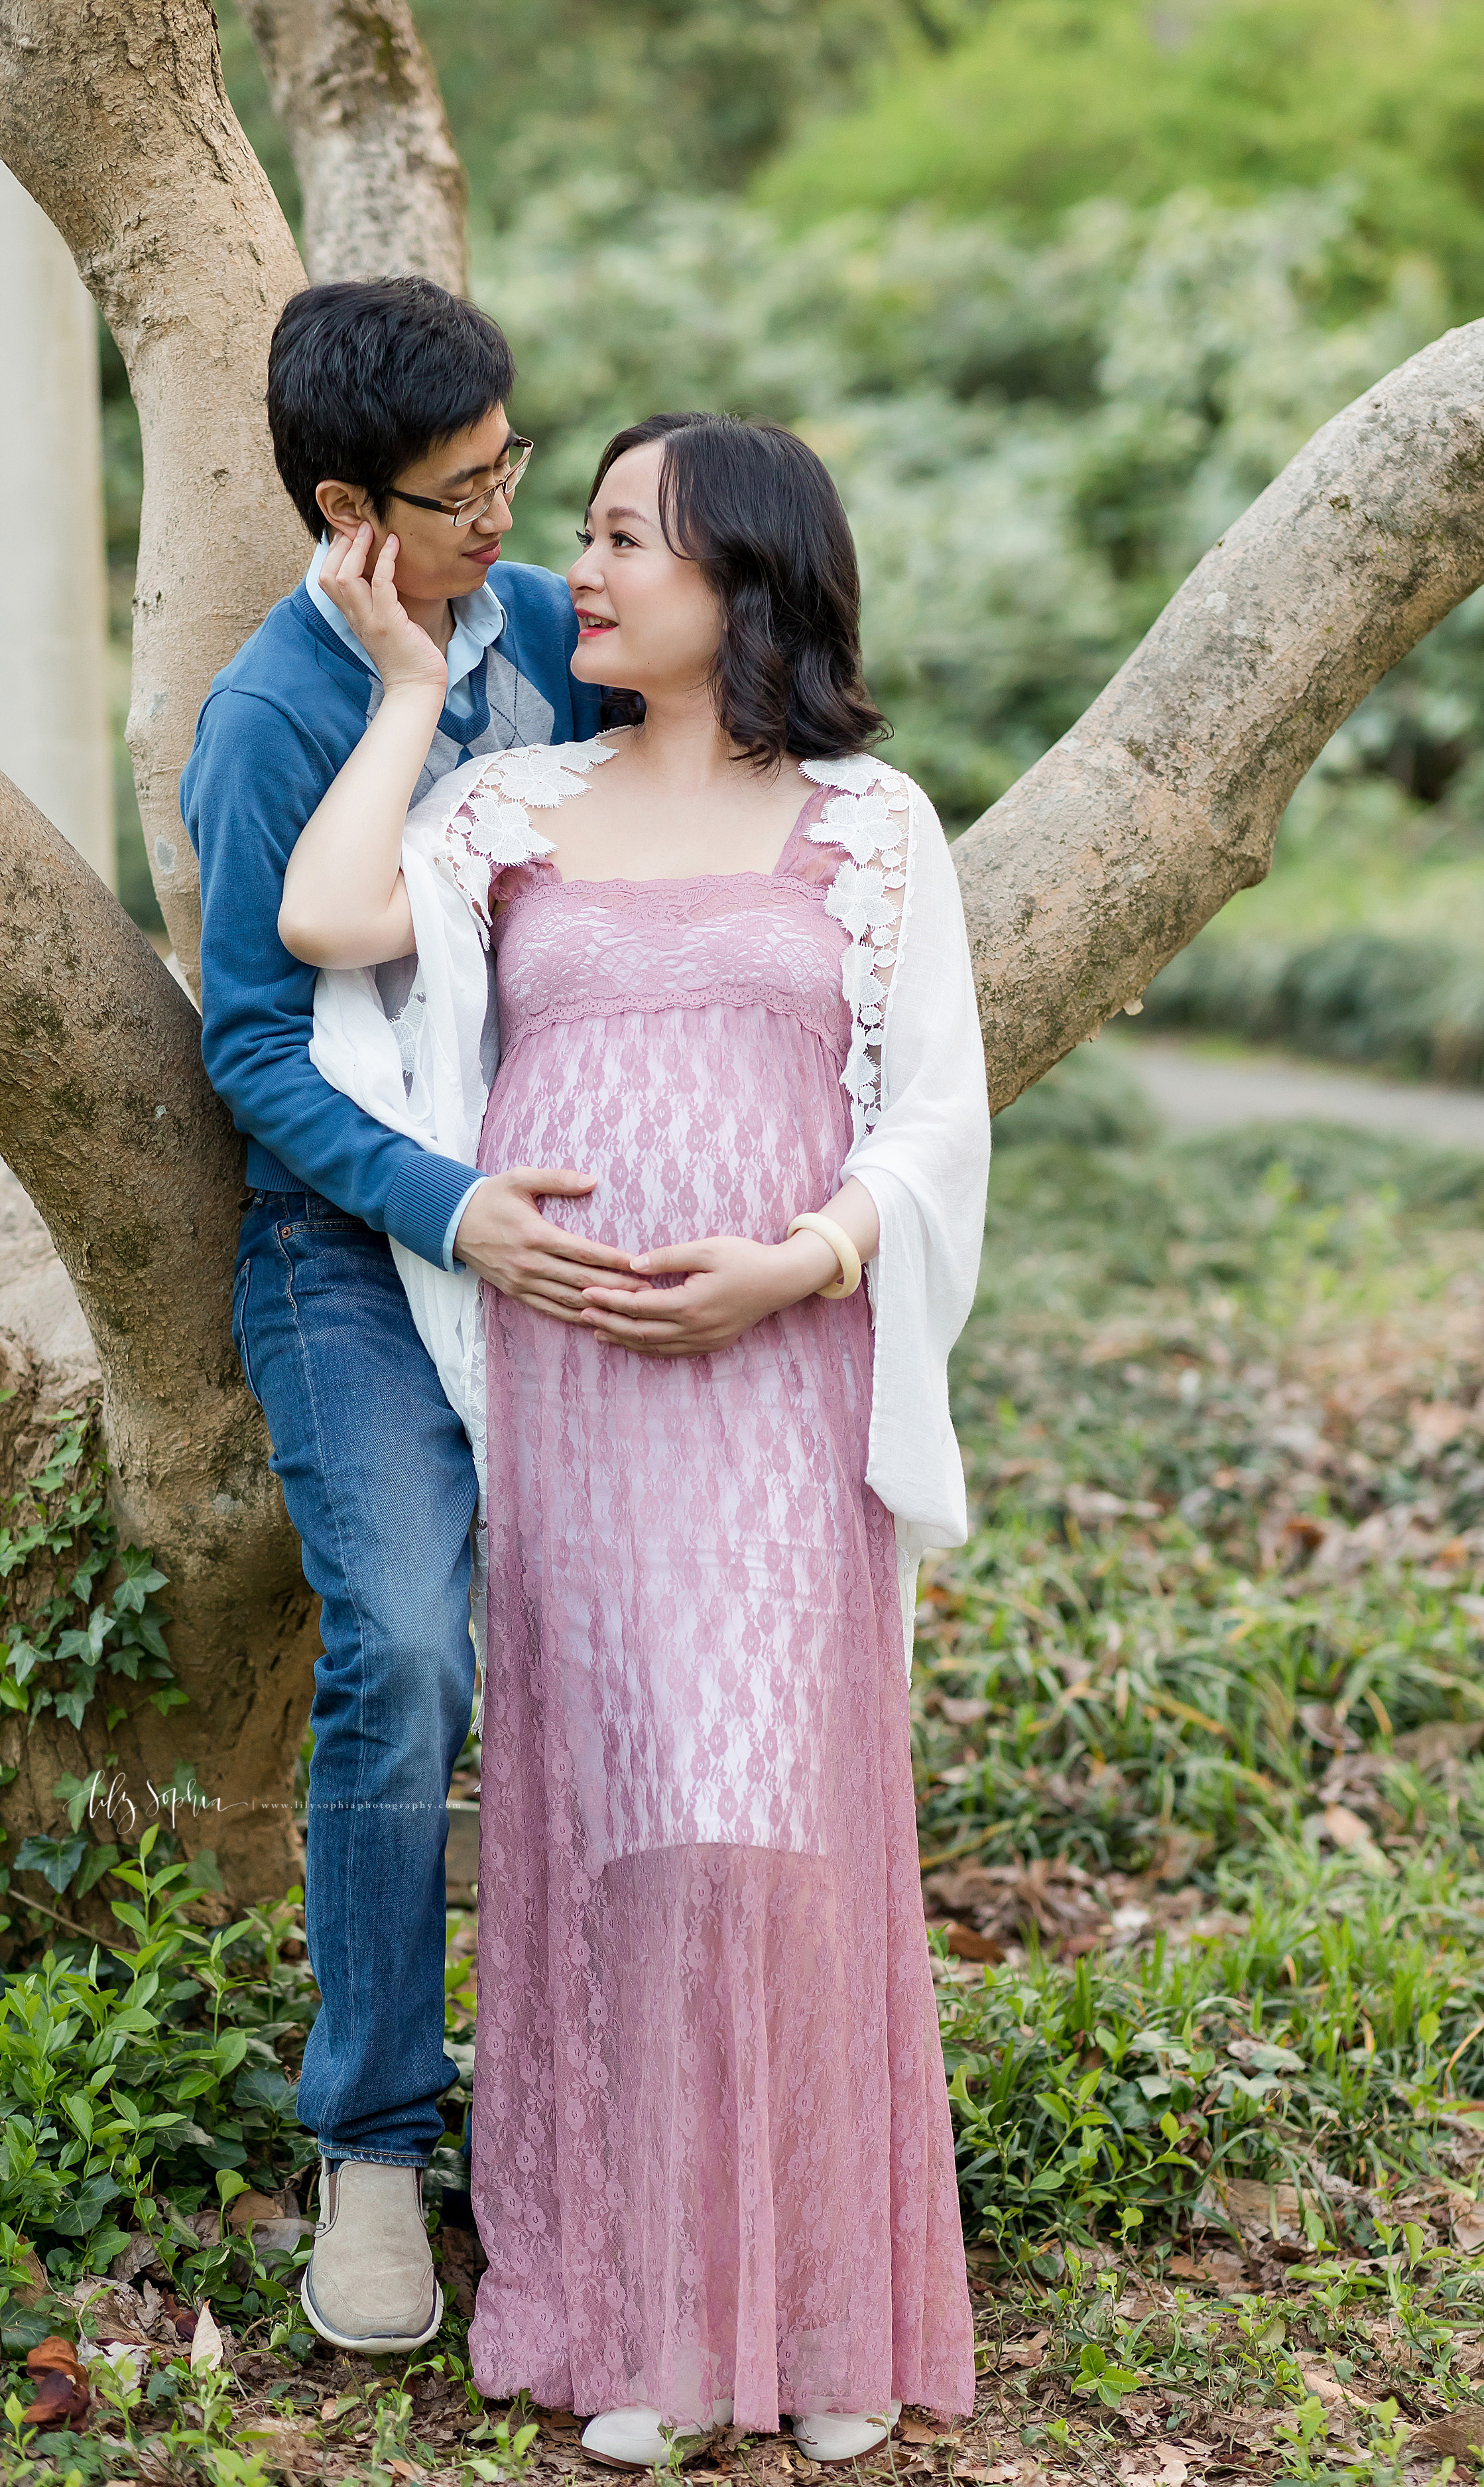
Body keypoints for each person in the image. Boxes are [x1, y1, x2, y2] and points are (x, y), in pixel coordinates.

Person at [280, 411, 989, 2459]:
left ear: (741, 578)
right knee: (604, 1820)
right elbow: (330, 921)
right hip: (575, 1384)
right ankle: (651, 2327)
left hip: (784, 1370)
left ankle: (815, 2312)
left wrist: (808, 1262)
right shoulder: (510, 806)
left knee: (773, 1819)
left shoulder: (871, 824)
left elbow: (939, 1112)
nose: (572, 575)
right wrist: (412, 691)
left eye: (617, 540)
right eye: (579, 535)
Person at [180, 277, 633, 2356]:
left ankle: (596, 2111)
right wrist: (455, 1215)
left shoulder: (548, 629)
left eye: (514, 466)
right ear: (349, 512)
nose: (504, 521)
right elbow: (257, 1056)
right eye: (463, 496)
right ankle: (370, 2143)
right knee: (413, 1643)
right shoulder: (270, 718)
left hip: (569, 1213)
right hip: (352, 1254)